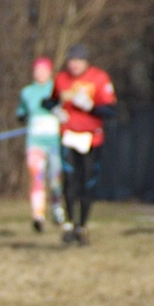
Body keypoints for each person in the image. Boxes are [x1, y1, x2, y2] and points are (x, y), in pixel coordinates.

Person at [44, 44, 117, 246]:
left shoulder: (99, 78)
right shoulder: (61, 79)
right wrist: (55, 110)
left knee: (87, 181)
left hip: (91, 138)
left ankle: (82, 226)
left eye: (78, 61)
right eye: (71, 61)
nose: (74, 65)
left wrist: (91, 107)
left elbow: (111, 110)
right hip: (68, 136)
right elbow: (49, 101)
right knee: (69, 180)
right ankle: (69, 224)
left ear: (86, 62)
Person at [17, 57, 65, 233]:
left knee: (55, 179)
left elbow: (66, 112)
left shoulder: (58, 89)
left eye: (44, 70)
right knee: (37, 178)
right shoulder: (27, 92)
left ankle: (57, 208)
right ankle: (38, 216)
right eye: (38, 70)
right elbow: (21, 112)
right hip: (35, 143)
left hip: (55, 143)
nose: (41, 74)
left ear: (50, 72)